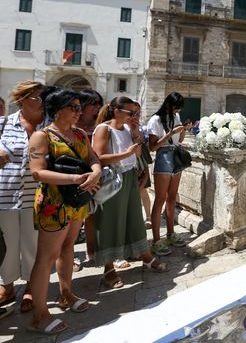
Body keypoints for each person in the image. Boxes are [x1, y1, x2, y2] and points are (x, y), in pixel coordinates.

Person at [28, 88, 102, 335]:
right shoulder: (42, 136)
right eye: (74, 107)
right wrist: (74, 178)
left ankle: (66, 294)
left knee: (69, 247)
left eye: (80, 107)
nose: (79, 112)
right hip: (54, 203)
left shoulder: (80, 134)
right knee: (46, 257)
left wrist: (96, 172)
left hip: (76, 200)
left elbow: (93, 158)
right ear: (58, 110)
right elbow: (37, 171)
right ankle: (40, 314)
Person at [92, 97, 168, 289]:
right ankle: (108, 269)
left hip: (130, 177)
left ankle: (146, 256)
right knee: (110, 222)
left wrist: (135, 134)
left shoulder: (127, 129)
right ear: (116, 110)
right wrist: (126, 154)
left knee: (134, 219)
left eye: (135, 113)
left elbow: (136, 153)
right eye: (130, 112)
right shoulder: (104, 129)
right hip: (112, 181)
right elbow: (97, 157)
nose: (134, 116)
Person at [0, 82, 47, 314]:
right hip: (5, 194)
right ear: (22, 101)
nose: (42, 102)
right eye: (37, 98)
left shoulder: (48, 126)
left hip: (37, 195)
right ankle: (7, 286)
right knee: (7, 244)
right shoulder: (3, 124)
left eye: (43, 98)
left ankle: (30, 286)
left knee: (32, 244)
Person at [147, 92, 191, 255]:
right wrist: (171, 133)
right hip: (164, 156)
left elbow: (180, 140)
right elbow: (152, 147)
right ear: (168, 104)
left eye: (179, 108)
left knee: (172, 198)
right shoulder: (155, 120)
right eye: (175, 107)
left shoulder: (176, 116)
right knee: (160, 199)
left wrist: (185, 129)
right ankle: (156, 240)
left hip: (176, 155)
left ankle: (171, 233)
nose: (177, 110)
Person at [76, 89, 103, 269]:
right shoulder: (70, 125)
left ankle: (92, 249)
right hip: (73, 174)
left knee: (92, 214)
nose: (96, 107)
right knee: (73, 218)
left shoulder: (99, 125)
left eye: (98, 104)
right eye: (93, 104)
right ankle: (70, 256)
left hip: (95, 173)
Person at [129, 101, 153, 228]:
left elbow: (144, 144)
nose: (136, 115)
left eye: (138, 113)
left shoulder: (142, 128)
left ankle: (148, 216)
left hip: (140, 163)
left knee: (143, 190)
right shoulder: (121, 129)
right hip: (127, 163)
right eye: (133, 113)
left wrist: (136, 130)